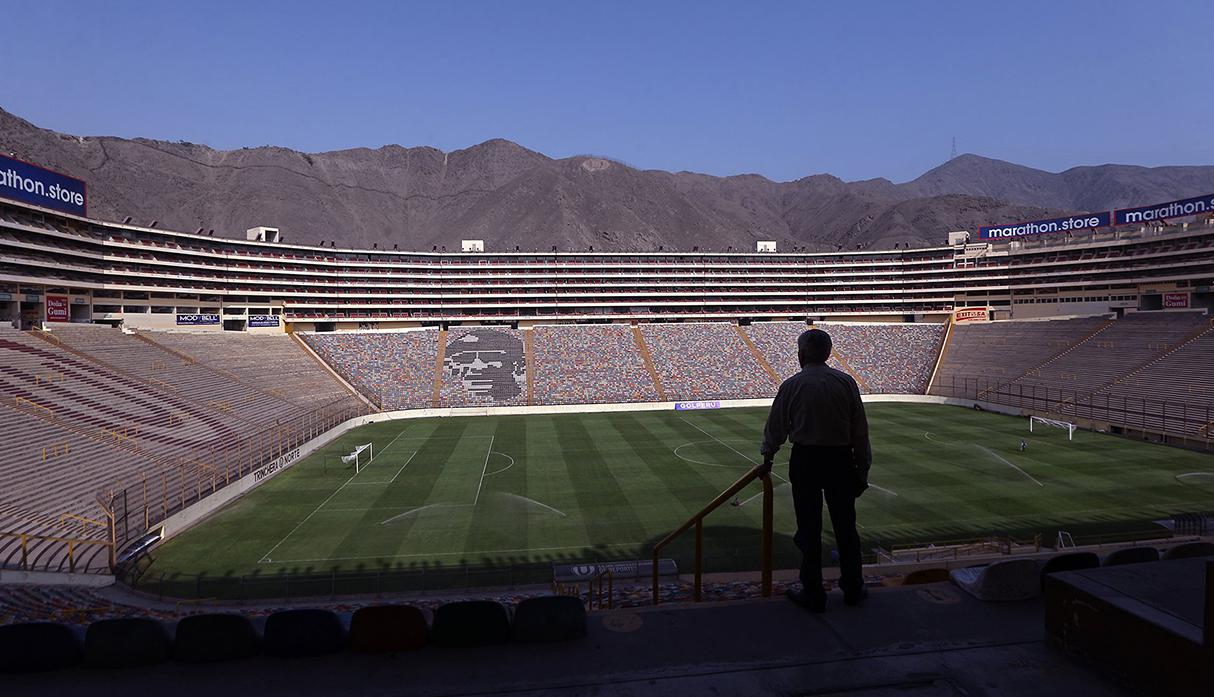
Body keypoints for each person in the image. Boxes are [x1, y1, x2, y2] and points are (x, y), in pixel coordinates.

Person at [759, 328, 871, 612]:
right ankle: (853, 588)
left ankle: (814, 591)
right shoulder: (846, 383)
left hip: (806, 460)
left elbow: (776, 428)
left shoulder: (792, 385)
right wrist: (863, 471)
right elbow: (860, 432)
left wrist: (768, 457)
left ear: (800, 355)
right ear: (828, 353)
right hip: (841, 460)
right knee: (846, 528)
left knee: (808, 528)